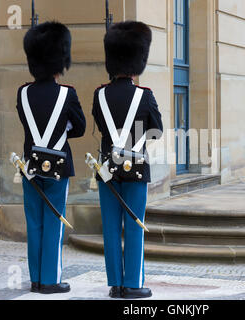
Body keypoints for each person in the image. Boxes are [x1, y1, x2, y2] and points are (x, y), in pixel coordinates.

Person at [91, 21, 163, 299]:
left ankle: (115, 284)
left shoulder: (100, 94)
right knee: (134, 225)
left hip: (107, 168)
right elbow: (156, 131)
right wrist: (135, 138)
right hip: (135, 169)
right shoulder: (144, 96)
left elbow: (100, 125)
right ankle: (133, 284)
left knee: (110, 227)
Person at [16, 21, 86, 294]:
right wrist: (62, 127)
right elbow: (78, 128)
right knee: (54, 221)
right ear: (60, 60)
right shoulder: (67, 94)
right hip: (58, 164)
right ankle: (50, 280)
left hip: (30, 165)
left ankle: (35, 279)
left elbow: (25, 121)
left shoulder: (22, 92)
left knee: (34, 222)